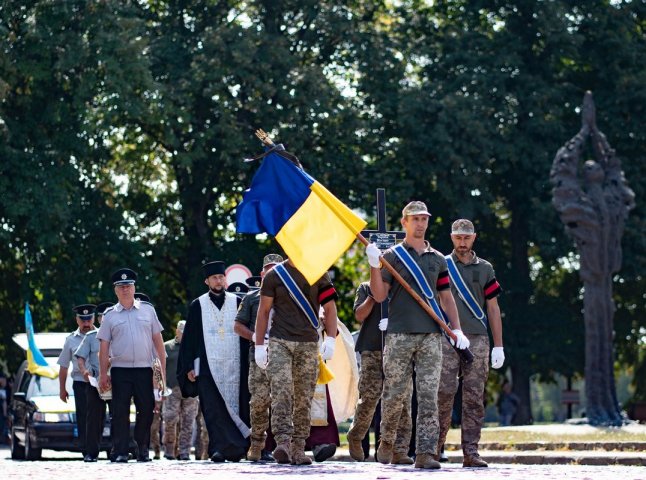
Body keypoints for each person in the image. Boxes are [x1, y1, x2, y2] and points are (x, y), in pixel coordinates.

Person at [365, 201, 470, 470]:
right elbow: (379, 296)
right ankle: (387, 442)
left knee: (428, 396)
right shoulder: (393, 256)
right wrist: (374, 266)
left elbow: (446, 297)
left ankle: (425, 452)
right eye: (415, 219)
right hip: (399, 334)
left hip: (431, 336)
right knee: (395, 394)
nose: (420, 223)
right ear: (405, 223)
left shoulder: (437, 259)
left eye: (424, 218)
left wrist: (456, 328)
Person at [254, 258, 338, 466]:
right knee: (281, 391)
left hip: (308, 343)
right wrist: (258, 345)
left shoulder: (318, 272)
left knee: (304, 396)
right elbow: (263, 312)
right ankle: (282, 442)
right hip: (280, 340)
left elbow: (330, 308)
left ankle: (299, 447)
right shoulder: (274, 275)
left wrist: (331, 338)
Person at [435, 219, 504, 468]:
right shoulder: (440, 263)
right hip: (448, 337)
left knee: (474, 397)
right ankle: (435, 449)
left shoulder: (485, 268)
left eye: (466, 237)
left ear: (474, 238)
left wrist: (499, 345)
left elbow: (494, 309)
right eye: (458, 237)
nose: (462, 242)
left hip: (477, 338)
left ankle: (471, 452)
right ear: (452, 237)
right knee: (442, 394)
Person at [177, 260, 250, 463]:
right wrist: (189, 366)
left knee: (239, 405)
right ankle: (217, 448)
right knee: (212, 408)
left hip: (236, 364)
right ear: (207, 281)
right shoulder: (198, 305)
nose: (218, 281)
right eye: (214, 278)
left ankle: (238, 448)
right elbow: (189, 339)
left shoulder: (237, 301)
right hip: (208, 366)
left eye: (221, 277)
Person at [97, 268, 166, 463]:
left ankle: (142, 446)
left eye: (128, 286)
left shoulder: (148, 310)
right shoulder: (110, 315)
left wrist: (162, 375)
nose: (125, 289)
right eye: (121, 287)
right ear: (115, 291)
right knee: (120, 412)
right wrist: (103, 374)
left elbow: (158, 343)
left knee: (147, 409)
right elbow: (104, 347)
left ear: (134, 287)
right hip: (120, 370)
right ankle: (120, 450)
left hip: (145, 369)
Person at [347, 281, 414, 464]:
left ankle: (398, 449)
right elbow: (360, 315)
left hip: (400, 350)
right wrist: (373, 296)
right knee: (369, 397)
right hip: (372, 347)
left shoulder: (403, 285)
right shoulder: (366, 287)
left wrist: (394, 321)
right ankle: (356, 435)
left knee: (402, 400)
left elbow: (414, 315)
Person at [233, 253, 283, 462]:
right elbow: (237, 326)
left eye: (276, 269)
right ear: (262, 273)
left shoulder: (290, 296)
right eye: (268, 269)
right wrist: (256, 337)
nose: (271, 272)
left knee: (283, 401)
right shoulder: (252, 297)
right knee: (260, 401)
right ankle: (257, 444)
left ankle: (283, 445)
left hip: (284, 353)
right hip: (259, 354)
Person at [74, 301, 113, 462]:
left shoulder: (118, 334)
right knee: (93, 418)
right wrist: (84, 371)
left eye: (108, 317)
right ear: (98, 319)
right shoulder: (91, 337)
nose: (105, 319)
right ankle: (91, 452)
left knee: (118, 416)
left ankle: (117, 450)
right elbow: (80, 357)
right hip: (95, 381)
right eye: (102, 317)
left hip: (115, 380)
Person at [57, 303, 97, 458]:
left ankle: (103, 445)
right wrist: (62, 389)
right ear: (77, 320)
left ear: (93, 318)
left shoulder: (102, 335)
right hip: (81, 383)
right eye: (83, 319)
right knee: (83, 416)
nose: (86, 323)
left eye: (89, 319)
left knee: (100, 416)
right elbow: (63, 366)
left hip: (101, 382)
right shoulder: (71, 339)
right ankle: (87, 449)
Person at [162, 320, 199, 460]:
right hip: (172, 389)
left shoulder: (194, 347)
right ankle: (169, 450)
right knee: (170, 419)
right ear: (177, 331)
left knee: (188, 421)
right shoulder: (167, 347)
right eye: (182, 332)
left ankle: (184, 451)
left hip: (190, 390)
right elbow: (160, 367)